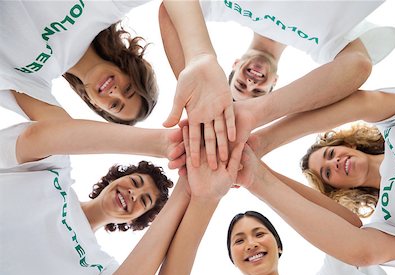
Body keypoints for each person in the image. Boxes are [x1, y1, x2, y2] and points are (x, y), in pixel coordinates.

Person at [153, 127, 387, 275]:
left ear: (279, 245)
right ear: (232, 259)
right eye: (239, 240)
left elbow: (350, 228)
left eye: (259, 233)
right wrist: (205, 196)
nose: (251, 243)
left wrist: (256, 172)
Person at [159, 0, 395, 166]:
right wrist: (257, 114)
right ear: (275, 83)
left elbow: (171, 11)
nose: (251, 83)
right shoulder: (322, 43)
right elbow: (359, 65)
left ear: (234, 65)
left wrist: (200, 62)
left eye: (240, 85)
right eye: (257, 92)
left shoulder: (226, 7)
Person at [244, 83, 395, 274]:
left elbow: (362, 103)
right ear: (339, 190)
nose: (334, 163)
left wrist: (261, 143)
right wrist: (257, 173)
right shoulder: (389, 221)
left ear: (347, 144)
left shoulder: (394, 123)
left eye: (331, 154)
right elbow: (361, 248)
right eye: (327, 174)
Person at [1, 1, 236, 163]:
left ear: (94, 105)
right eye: (128, 89)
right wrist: (200, 56)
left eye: (115, 105)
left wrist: (165, 145)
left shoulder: (32, 81)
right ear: (128, 68)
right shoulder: (105, 7)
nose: (116, 93)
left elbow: (59, 137)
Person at [0, 119, 191, 275]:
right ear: (114, 178)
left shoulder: (101, 269)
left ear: (136, 220)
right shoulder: (56, 169)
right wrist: (163, 144)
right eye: (135, 182)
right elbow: (34, 138)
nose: (134, 194)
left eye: (144, 200)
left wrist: (188, 186)